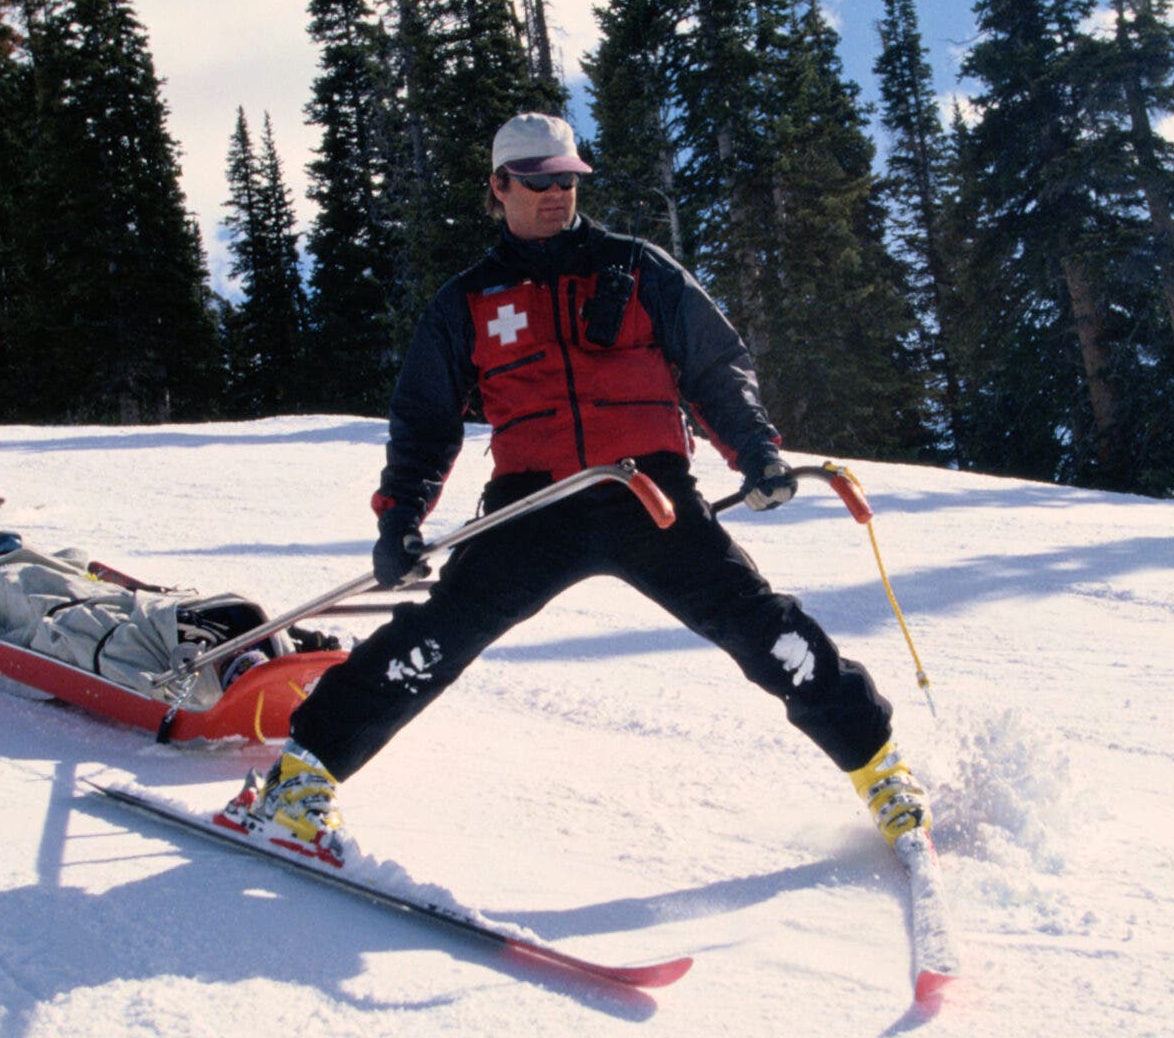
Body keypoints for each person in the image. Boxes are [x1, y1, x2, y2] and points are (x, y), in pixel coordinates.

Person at [226, 113, 933, 864]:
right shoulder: (468, 301)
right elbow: (425, 419)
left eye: (567, 179)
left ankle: (881, 770)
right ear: (498, 188)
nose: (557, 193)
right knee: (436, 637)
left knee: (760, 627)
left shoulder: (638, 268)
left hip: (647, 495)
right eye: (537, 181)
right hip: (535, 505)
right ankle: (296, 786)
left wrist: (755, 453)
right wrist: (400, 516)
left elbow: (716, 369)